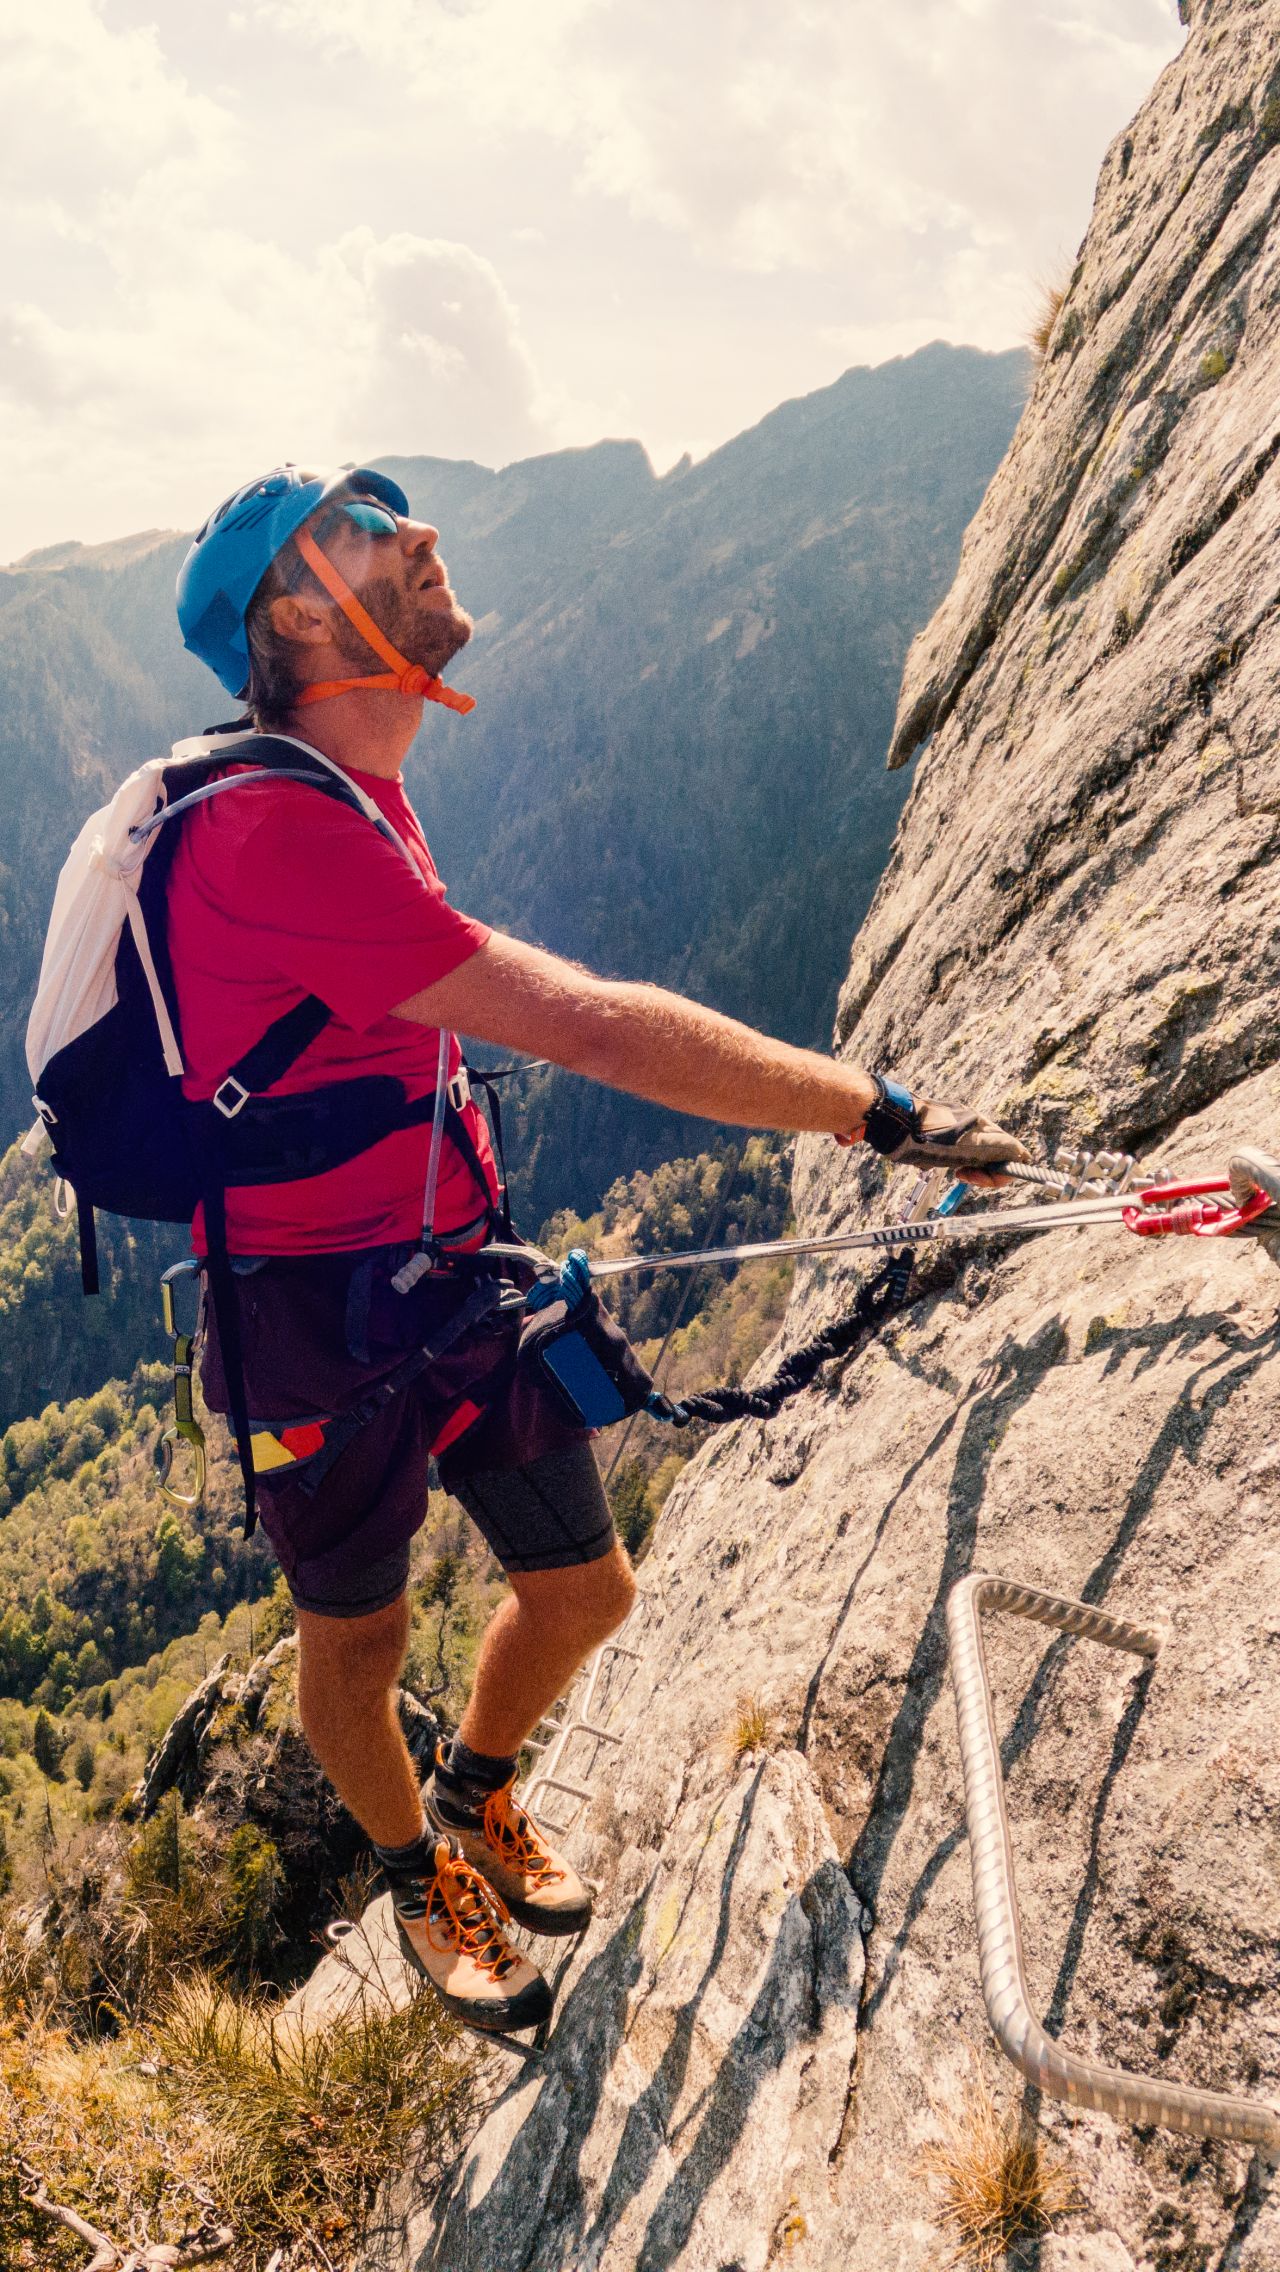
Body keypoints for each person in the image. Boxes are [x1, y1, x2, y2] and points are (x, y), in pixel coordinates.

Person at [172, 464, 1027, 2035]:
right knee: (356, 1636)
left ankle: (479, 1785)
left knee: (584, 1589)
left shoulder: (362, 785)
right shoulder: (274, 842)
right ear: (296, 615)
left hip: (450, 1264)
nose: (421, 535)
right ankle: (416, 1871)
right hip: (308, 1324)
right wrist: (872, 1111)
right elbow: (585, 1026)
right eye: (365, 530)